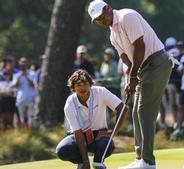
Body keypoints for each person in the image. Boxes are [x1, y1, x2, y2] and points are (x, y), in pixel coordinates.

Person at [88, 1, 173, 168]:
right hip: (143, 68)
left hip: (156, 62)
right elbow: (126, 60)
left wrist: (133, 76)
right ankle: (140, 158)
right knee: (135, 112)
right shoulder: (112, 34)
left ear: (108, 8)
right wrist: (128, 79)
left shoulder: (128, 16)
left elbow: (139, 47)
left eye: (101, 16)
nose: (101, 21)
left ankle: (148, 162)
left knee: (144, 110)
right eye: (97, 20)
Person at [56, 69, 128, 169]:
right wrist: (85, 161)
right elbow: (78, 133)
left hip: (99, 136)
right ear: (73, 88)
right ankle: (81, 163)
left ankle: (98, 163)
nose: (82, 88)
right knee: (62, 150)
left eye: (85, 84)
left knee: (108, 144)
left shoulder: (101, 91)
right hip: (78, 137)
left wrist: (112, 133)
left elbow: (123, 108)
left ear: (90, 84)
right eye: (78, 85)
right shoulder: (70, 103)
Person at [12, 57, 36, 128]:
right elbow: (14, 86)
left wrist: (26, 76)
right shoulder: (16, 75)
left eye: (24, 63)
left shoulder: (31, 74)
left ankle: (30, 130)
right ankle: (22, 131)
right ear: (19, 64)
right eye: (22, 63)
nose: (23, 65)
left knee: (30, 117)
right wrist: (20, 76)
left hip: (30, 98)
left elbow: (33, 85)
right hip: (20, 98)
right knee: (21, 117)